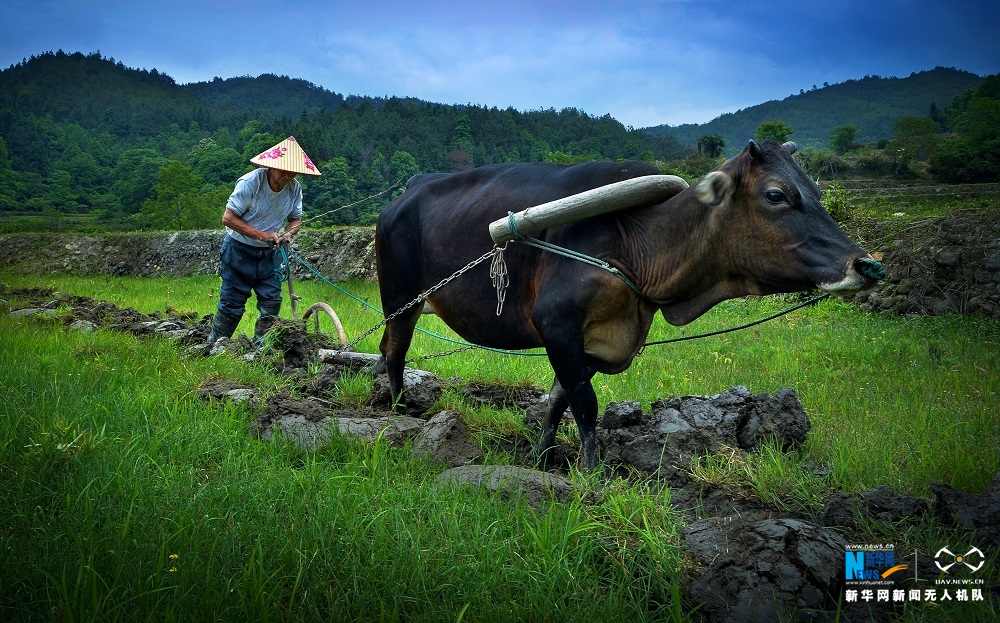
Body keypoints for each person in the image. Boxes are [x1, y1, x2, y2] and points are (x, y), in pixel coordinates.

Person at [207, 136, 322, 346]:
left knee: (271, 301)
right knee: (232, 302)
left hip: (270, 253)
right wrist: (262, 235)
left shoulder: (294, 188)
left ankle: (260, 350)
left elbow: (296, 219)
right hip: (239, 250)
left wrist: (288, 234)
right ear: (271, 167)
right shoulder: (251, 184)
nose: (286, 176)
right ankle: (216, 344)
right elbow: (228, 219)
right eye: (282, 171)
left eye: (292, 172)